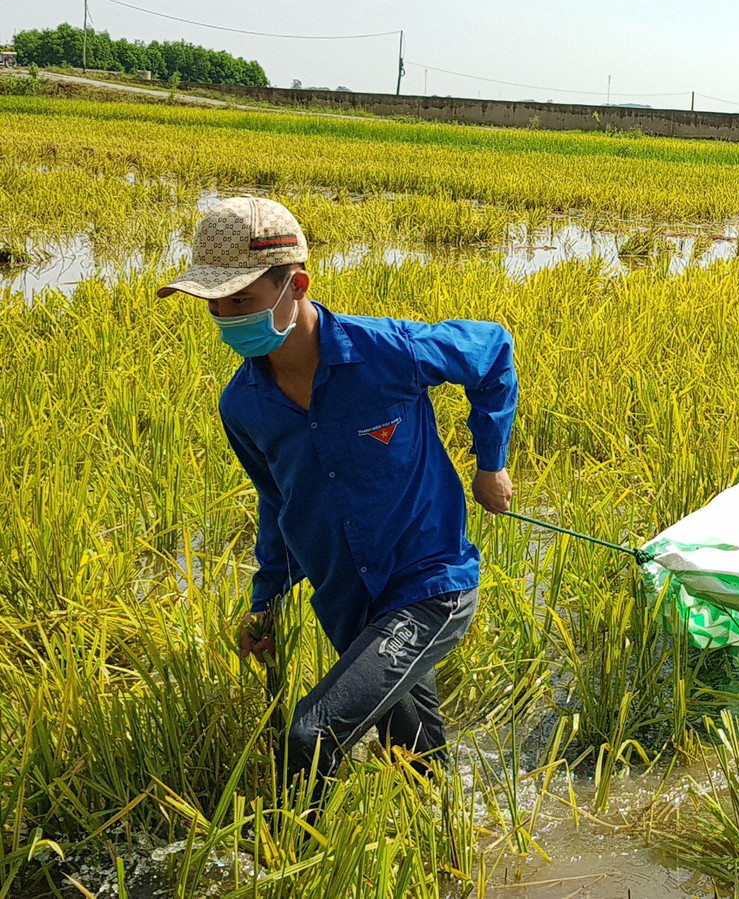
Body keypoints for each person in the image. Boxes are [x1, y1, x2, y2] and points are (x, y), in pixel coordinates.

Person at [158, 196, 518, 792]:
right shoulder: (243, 405)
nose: (225, 318)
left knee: (312, 733)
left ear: (295, 285)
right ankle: (450, 855)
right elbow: (278, 501)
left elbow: (493, 351)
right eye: (214, 305)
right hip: (349, 601)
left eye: (240, 301)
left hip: (429, 587)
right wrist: (266, 598)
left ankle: (288, 870)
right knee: (415, 762)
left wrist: (491, 466)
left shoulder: (388, 353)